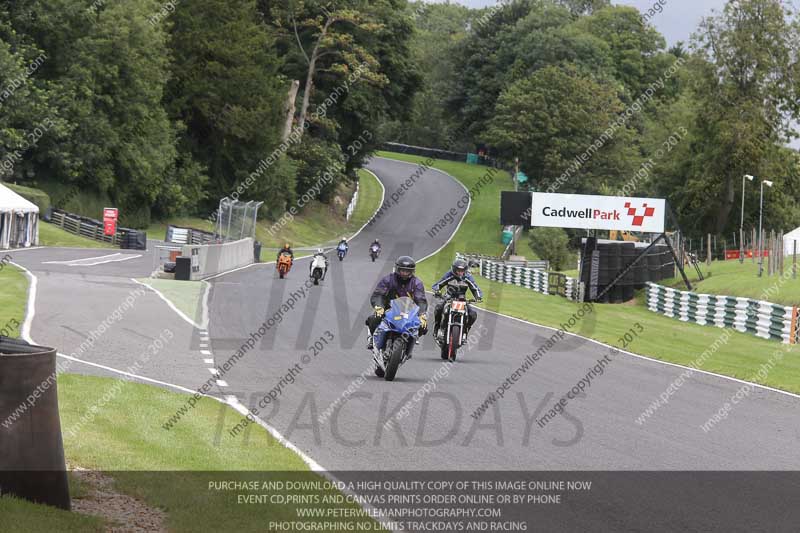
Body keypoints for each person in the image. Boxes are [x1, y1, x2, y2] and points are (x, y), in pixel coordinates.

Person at [366, 256, 428, 350]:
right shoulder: (388, 279)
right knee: (374, 318)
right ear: (397, 269)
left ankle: (413, 339)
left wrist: (422, 314)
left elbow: (421, 300)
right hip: (388, 309)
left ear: (412, 271)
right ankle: (372, 338)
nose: (404, 273)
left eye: (407, 271)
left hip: (409, 312)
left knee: (423, 326)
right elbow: (378, 294)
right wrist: (379, 307)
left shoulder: (417, 283)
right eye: (402, 270)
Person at [431, 258, 483, 342]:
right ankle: (437, 327)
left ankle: (465, 330)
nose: (460, 273)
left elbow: (475, 288)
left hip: (462, 299)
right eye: (458, 270)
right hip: (449, 297)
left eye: (462, 271)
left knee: (473, 314)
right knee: (439, 307)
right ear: (454, 269)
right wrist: (437, 291)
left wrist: (478, 296)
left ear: (465, 270)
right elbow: (438, 284)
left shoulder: (468, 276)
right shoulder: (449, 275)